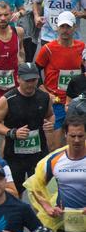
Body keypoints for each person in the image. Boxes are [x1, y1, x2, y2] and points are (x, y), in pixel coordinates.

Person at [27, 115, 86, 232]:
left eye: (80, 136)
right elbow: (35, 185)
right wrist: (47, 207)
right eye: (72, 136)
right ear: (65, 135)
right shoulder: (54, 160)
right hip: (68, 223)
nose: (76, 140)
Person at [0, 62, 55, 190]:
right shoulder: (8, 99)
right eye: (26, 80)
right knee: (14, 192)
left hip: (38, 153)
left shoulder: (44, 97)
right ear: (18, 79)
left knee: (40, 191)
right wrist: (12, 132)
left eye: (33, 80)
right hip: (14, 156)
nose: (30, 84)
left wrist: (50, 124)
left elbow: (50, 115)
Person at [35, 11, 85, 144]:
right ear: (57, 28)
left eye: (68, 27)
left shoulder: (82, 48)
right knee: (54, 146)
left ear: (74, 27)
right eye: (62, 27)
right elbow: (35, 71)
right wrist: (46, 92)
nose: (65, 30)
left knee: (77, 142)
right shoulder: (48, 49)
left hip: (77, 103)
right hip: (56, 101)